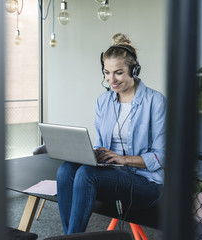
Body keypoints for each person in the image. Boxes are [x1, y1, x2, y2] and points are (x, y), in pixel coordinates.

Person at [56, 33, 166, 234]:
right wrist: (94, 154)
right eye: (106, 72)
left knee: (86, 174)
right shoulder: (103, 101)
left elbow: (162, 156)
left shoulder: (155, 102)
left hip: (146, 183)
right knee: (66, 169)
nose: (111, 80)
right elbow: (100, 143)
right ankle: (70, 237)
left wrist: (124, 160)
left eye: (118, 73)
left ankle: (71, 239)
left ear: (134, 70)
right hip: (111, 175)